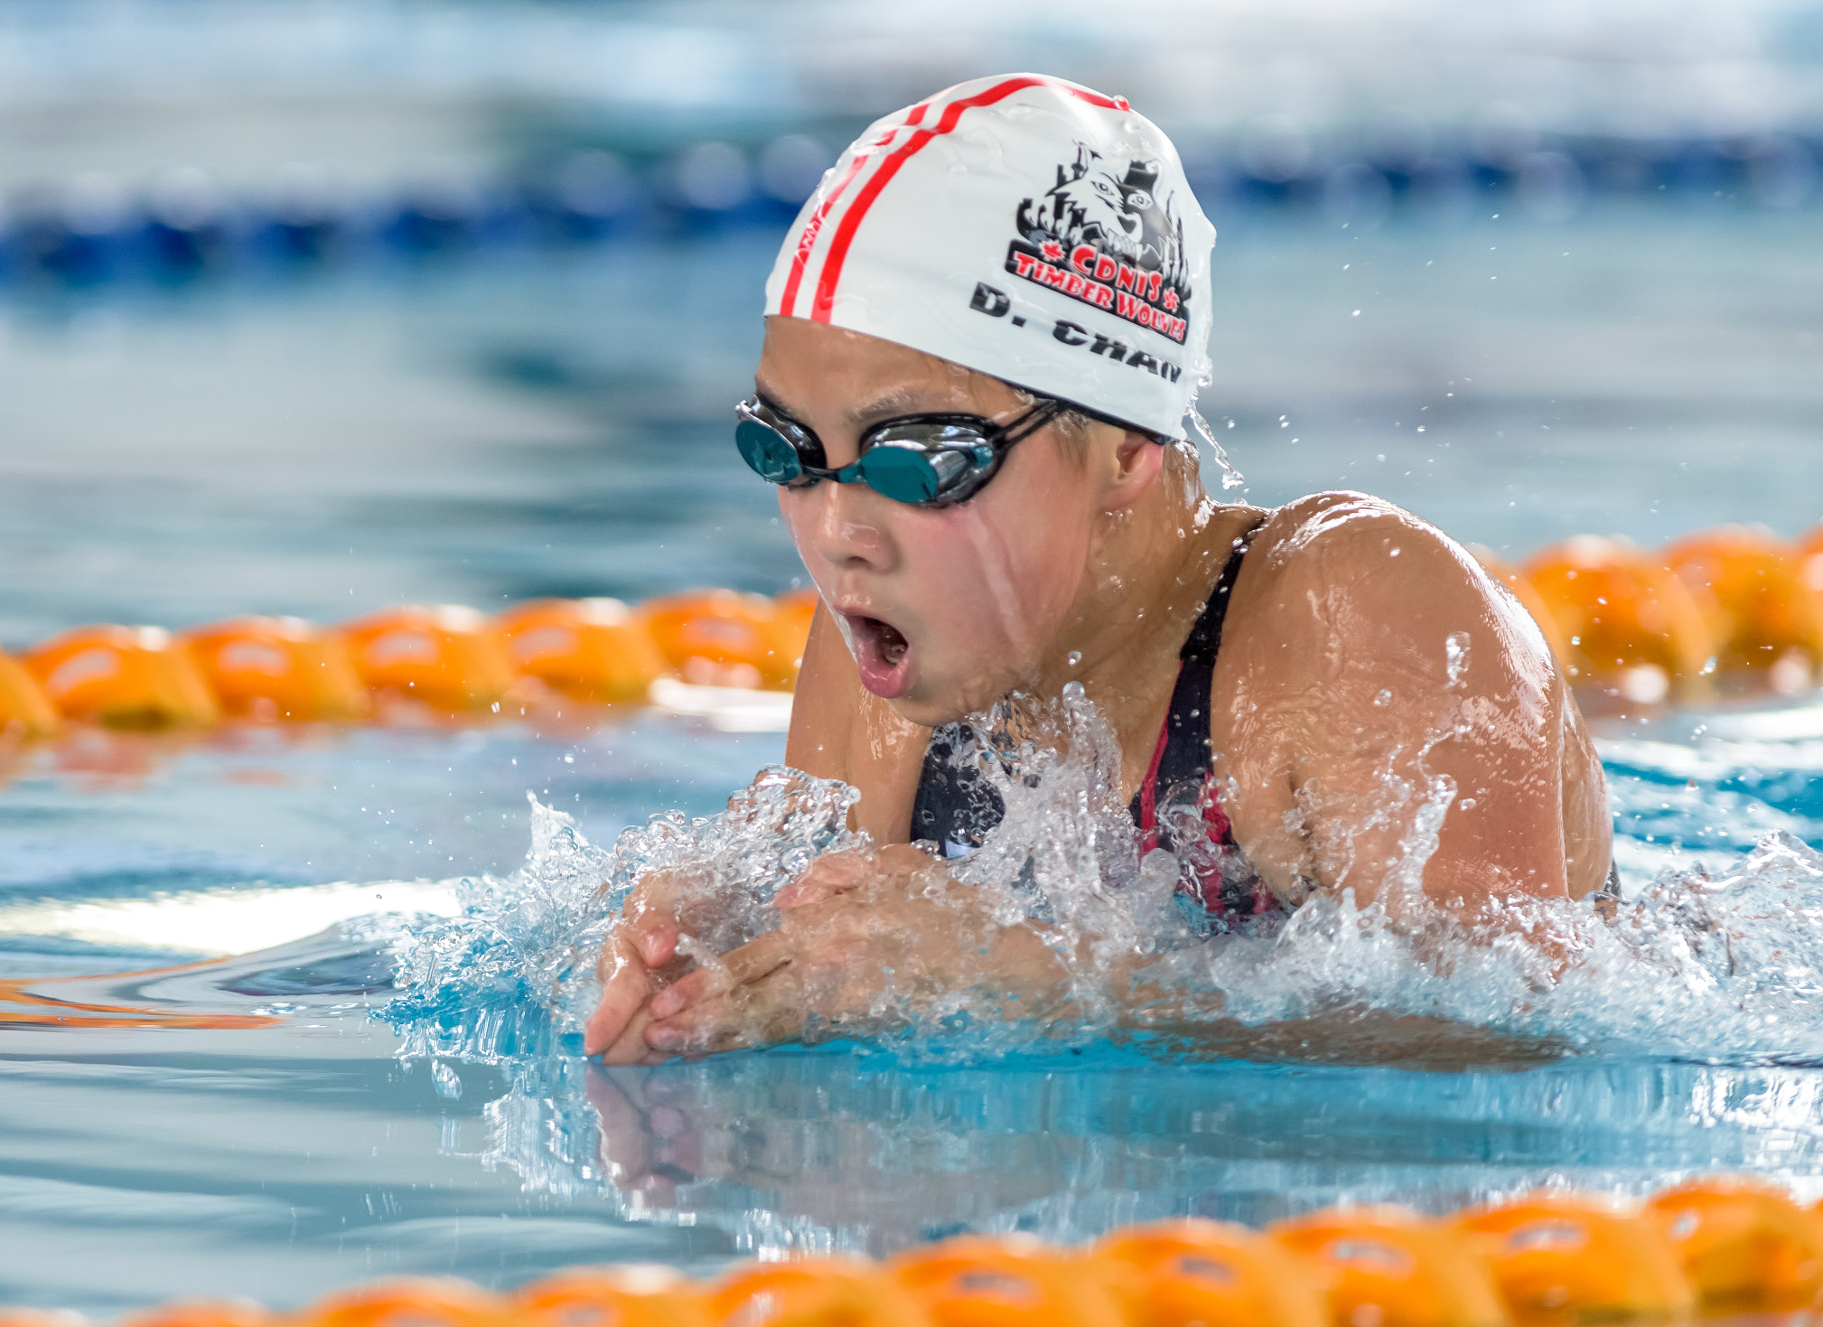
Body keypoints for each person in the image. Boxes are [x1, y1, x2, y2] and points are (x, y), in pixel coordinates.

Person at [583, 73, 1612, 1066]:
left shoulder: (1355, 617)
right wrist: (719, 944)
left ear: (1125, 448)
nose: (838, 529)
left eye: (921, 458)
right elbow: (845, 935)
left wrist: (1045, 984)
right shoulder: (896, 654)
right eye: (786, 451)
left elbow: (1511, 1020)